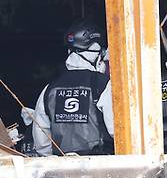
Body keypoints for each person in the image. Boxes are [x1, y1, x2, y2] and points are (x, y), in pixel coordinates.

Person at [32, 20, 114, 155]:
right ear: (95, 52)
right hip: (101, 167)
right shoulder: (104, 85)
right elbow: (117, 131)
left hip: (62, 168)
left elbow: (42, 142)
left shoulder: (49, 89)